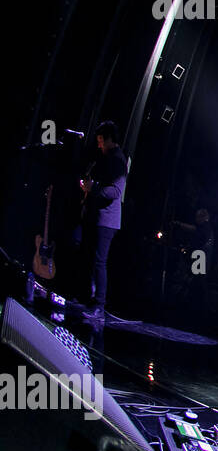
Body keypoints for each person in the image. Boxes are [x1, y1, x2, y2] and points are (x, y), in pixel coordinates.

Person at [76, 120, 127, 315]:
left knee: (99, 261)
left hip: (106, 221)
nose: (98, 144)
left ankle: (99, 303)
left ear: (109, 140)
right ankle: (88, 298)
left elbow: (115, 191)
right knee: (90, 258)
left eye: (100, 140)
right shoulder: (105, 158)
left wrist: (93, 188)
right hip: (97, 217)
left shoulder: (118, 161)